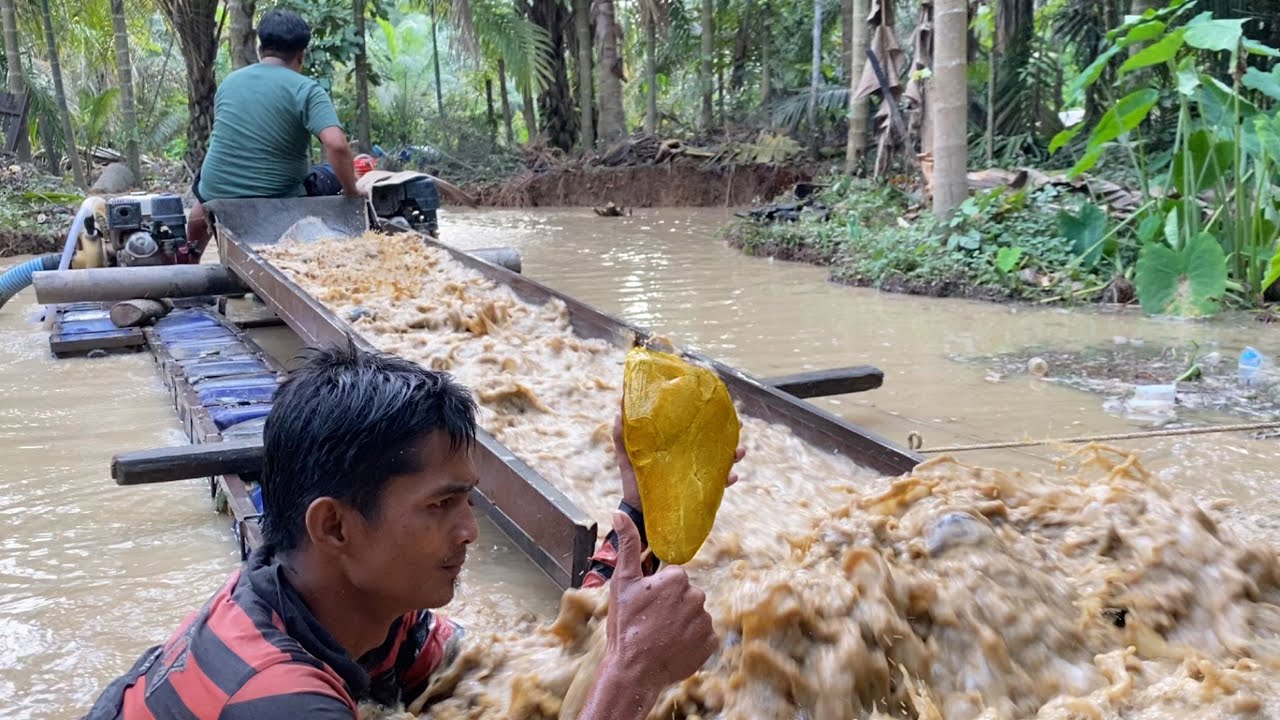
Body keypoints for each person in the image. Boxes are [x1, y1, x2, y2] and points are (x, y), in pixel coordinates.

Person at [82, 340, 745, 719]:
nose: (469, 533)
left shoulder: (352, 611)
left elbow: (542, 672)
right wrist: (633, 679)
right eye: (440, 506)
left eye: (469, 503)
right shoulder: (279, 703)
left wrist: (642, 513)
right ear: (335, 525)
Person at [186, 8, 362, 259]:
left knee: (203, 186)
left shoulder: (230, 82)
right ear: (301, 55)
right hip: (277, 197)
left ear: (260, 48)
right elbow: (337, 146)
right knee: (332, 172)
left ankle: (189, 257)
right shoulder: (307, 90)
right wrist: (351, 191)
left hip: (216, 192)